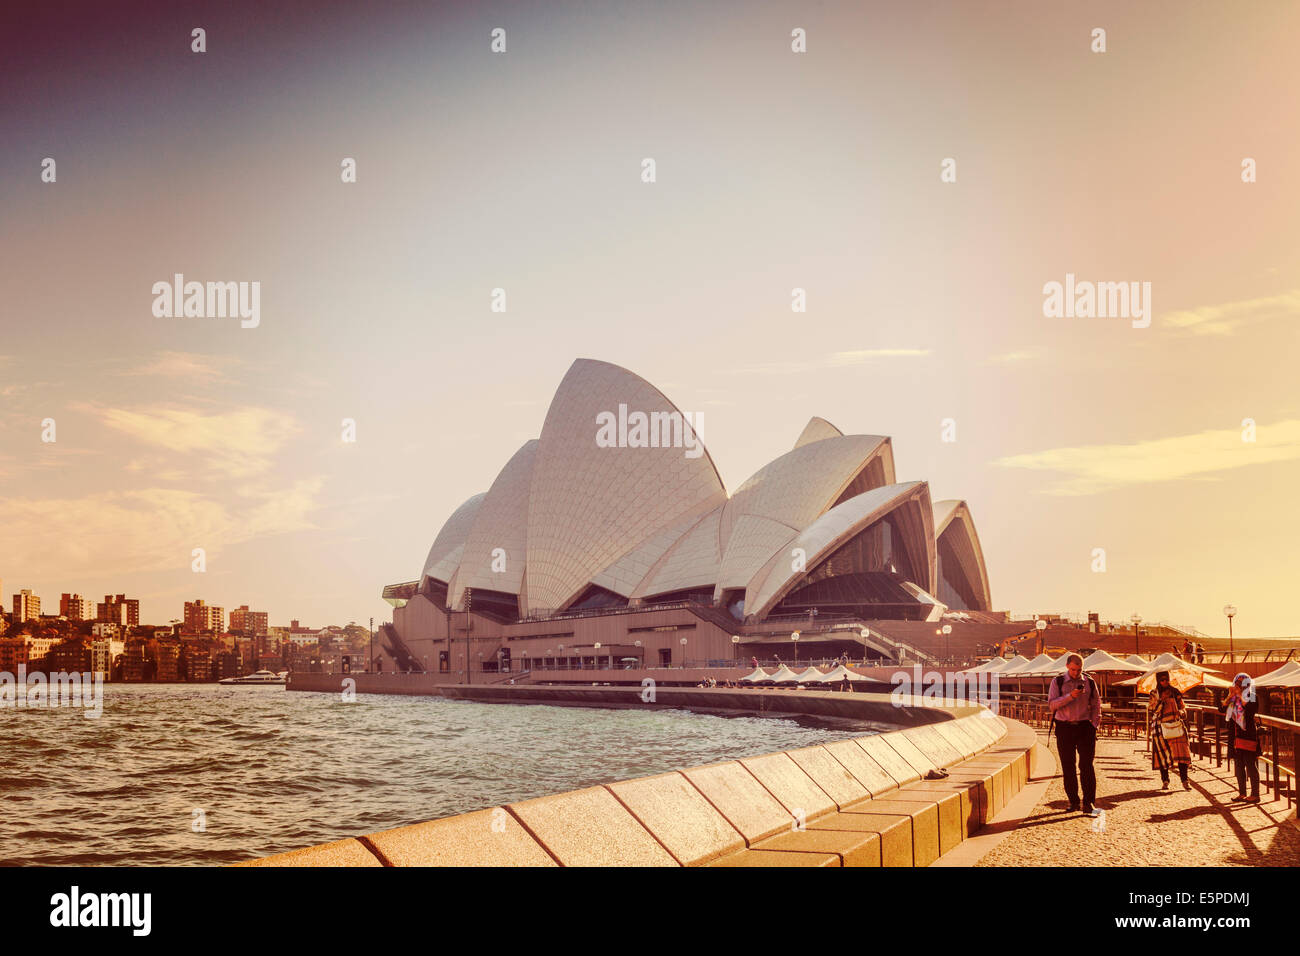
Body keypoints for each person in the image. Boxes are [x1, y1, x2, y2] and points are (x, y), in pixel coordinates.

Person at [1048, 654, 1102, 816]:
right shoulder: (1057, 682)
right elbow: (1052, 705)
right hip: (1064, 728)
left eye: (1079, 670)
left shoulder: (1089, 682)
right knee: (1068, 766)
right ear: (1067, 666)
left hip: (1085, 727)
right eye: (1073, 669)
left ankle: (1088, 802)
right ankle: (1073, 801)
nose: (1075, 673)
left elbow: (1096, 704)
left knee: (1087, 766)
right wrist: (1070, 696)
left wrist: (1094, 725)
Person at [1219, 673, 1260, 803]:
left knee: (1250, 764)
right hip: (1235, 736)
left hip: (1248, 735)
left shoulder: (1252, 697)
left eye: (1242, 684)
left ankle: (1255, 794)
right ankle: (1242, 793)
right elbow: (1221, 709)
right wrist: (1230, 696)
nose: (1239, 687)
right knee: (1238, 765)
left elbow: (1250, 710)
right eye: (1237, 684)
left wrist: (1240, 695)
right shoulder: (1233, 697)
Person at [1148, 671, 1191, 790]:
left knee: (1182, 752)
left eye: (1167, 679)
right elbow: (1152, 710)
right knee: (1163, 754)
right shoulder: (1154, 693)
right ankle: (1165, 780)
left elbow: (1182, 707)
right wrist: (1161, 701)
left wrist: (1182, 712)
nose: (1165, 682)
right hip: (1160, 727)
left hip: (1176, 725)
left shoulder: (1175, 691)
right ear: (1158, 680)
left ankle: (1184, 780)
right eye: (1162, 680)